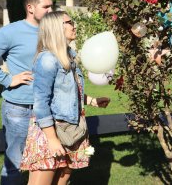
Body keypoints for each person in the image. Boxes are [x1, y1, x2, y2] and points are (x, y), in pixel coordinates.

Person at [0, 0, 53, 184]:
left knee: (45, 159)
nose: (51, 10)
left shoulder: (51, 31)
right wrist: (7, 79)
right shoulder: (12, 31)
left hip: (48, 108)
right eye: (46, 6)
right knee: (15, 163)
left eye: (52, 6)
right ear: (30, 7)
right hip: (20, 109)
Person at [20, 11, 110, 185]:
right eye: (69, 22)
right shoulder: (47, 59)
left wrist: (92, 101)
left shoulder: (70, 57)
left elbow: (67, 93)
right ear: (56, 29)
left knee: (63, 178)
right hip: (50, 131)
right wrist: (52, 140)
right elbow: (40, 103)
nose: (74, 25)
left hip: (71, 130)